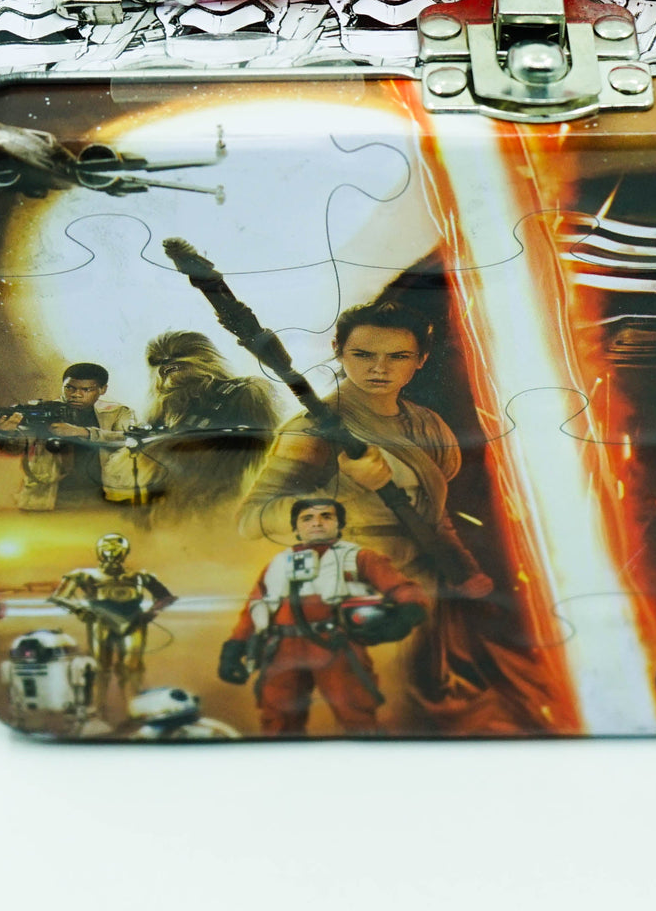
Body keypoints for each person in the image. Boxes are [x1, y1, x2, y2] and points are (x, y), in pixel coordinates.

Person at [239, 301, 491, 599]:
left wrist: (464, 570)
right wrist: (346, 492)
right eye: (363, 355)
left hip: (425, 589)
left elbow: (432, 516)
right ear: (338, 350)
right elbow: (252, 520)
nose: (379, 368)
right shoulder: (309, 429)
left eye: (398, 356)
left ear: (421, 359)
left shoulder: (428, 426)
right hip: (347, 591)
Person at [219, 498, 427, 735]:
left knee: (357, 716)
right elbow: (255, 607)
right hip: (281, 650)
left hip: (336, 646)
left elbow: (406, 590)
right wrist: (234, 647)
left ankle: (369, 754)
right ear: (296, 528)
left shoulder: (358, 558)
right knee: (277, 719)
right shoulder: (277, 564)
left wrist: (406, 615)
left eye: (326, 516)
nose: (316, 523)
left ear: (339, 524)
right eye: (307, 518)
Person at [135, 331, 279, 520]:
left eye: (177, 355)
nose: (166, 363)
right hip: (170, 504)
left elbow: (262, 454)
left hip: (225, 497)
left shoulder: (243, 393)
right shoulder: (160, 411)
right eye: (158, 361)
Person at [48, 533, 177, 711]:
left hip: (133, 622)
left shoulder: (139, 576)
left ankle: (135, 708)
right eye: (107, 550)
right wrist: (79, 610)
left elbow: (166, 597)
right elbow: (59, 597)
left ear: (124, 553)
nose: (112, 555)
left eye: (116, 550)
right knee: (99, 667)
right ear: (100, 552)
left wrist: (152, 612)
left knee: (132, 667)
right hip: (101, 622)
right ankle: (97, 709)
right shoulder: (84, 575)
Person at [0, 362, 135, 511]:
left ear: (103, 389)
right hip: (51, 495)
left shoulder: (117, 412)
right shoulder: (45, 410)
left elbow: (130, 440)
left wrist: (82, 432)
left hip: (103, 493)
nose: (76, 394)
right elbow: (16, 448)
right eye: (69, 388)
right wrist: (7, 433)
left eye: (86, 389)